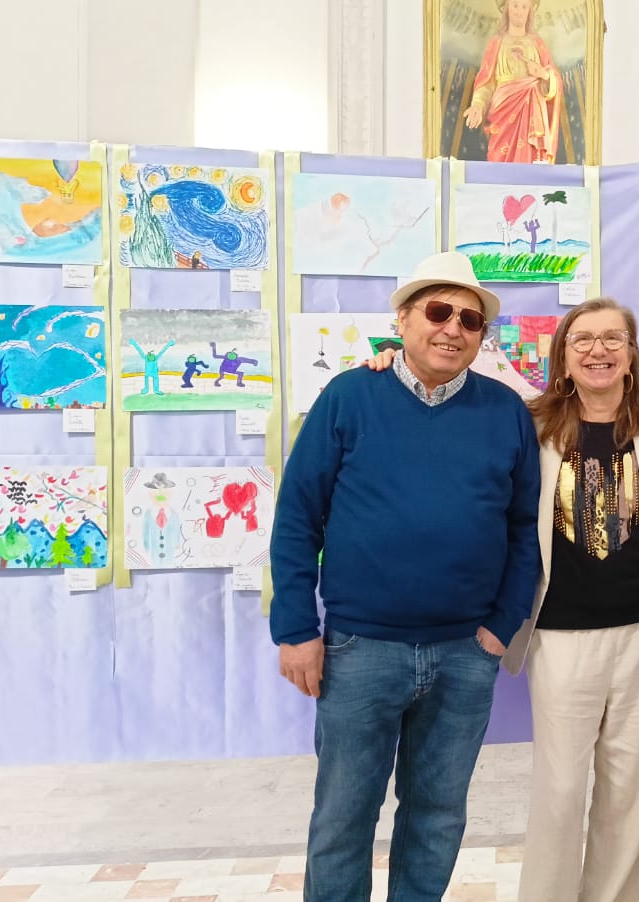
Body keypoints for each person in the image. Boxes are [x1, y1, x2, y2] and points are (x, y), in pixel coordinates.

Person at [361, 298, 639, 902]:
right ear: (563, 356)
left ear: (632, 353)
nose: (598, 350)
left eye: (613, 338)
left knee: (632, 793)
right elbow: (444, 404)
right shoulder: (528, 422)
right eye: (583, 339)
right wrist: (389, 365)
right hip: (560, 634)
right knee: (560, 790)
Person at [268, 250, 541, 901]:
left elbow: (525, 527)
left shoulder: (505, 410)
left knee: (438, 816)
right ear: (403, 321)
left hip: (466, 653)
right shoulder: (349, 396)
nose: (452, 328)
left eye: (469, 320)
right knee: (343, 817)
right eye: (438, 312)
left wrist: (501, 626)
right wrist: (296, 628)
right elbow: (298, 515)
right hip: (360, 648)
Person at [462, 0, 563, 163]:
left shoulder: (538, 44)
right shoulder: (496, 43)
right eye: (515, 5)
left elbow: (554, 81)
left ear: (530, 11)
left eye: (524, 6)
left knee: (530, 163)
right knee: (500, 162)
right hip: (503, 112)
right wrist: (478, 105)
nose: (519, 11)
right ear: (506, 8)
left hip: (532, 112)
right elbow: (486, 82)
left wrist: (543, 75)